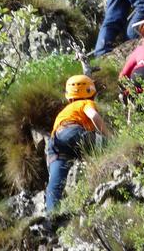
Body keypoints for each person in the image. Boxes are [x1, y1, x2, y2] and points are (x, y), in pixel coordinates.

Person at [45, 75, 109, 212]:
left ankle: (51, 215)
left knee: (55, 184)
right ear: (90, 91)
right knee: (109, 145)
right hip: (72, 132)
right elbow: (93, 116)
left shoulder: (64, 111)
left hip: (55, 143)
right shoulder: (85, 103)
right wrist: (110, 136)